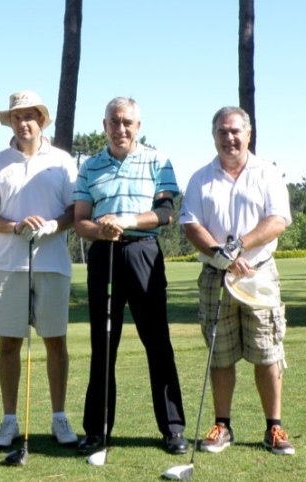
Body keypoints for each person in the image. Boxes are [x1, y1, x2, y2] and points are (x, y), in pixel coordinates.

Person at [73, 96, 188, 455]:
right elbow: (80, 220)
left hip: (143, 254)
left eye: (127, 122)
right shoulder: (90, 166)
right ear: (104, 125)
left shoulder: (158, 160)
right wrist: (99, 231)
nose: (120, 128)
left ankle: (172, 429)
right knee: (103, 346)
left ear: (138, 126)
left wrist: (127, 221)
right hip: (104, 255)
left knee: (157, 342)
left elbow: (166, 211)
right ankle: (97, 431)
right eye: (113, 122)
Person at [179, 106, 295, 455]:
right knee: (220, 353)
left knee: (267, 351)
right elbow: (190, 224)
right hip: (216, 275)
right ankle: (222, 426)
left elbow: (278, 220)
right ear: (214, 136)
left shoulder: (267, 173)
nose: (229, 138)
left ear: (248, 134)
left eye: (235, 131)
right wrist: (221, 254)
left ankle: (273, 427)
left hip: (258, 273)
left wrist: (240, 246)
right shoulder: (201, 178)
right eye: (222, 132)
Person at [0, 91, 78, 449]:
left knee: (56, 343)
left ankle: (60, 417)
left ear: (42, 120)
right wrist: (15, 225)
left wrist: (52, 225)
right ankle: (8, 420)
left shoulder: (63, 161)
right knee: (9, 344)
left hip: (52, 264)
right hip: (9, 264)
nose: (23, 123)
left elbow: (74, 211)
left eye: (29, 116)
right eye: (17, 117)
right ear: (11, 122)